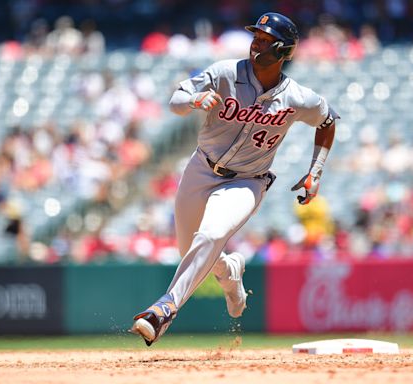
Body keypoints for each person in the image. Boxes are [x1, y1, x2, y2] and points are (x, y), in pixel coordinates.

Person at [130, 12, 339, 346]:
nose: (256, 43)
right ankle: (230, 273)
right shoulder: (226, 71)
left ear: (284, 51)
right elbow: (176, 101)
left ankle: (165, 309)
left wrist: (316, 171)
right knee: (193, 250)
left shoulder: (297, 97)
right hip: (201, 169)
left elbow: (327, 121)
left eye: (265, 40)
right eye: (256, 36)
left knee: (210, 234)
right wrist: (195, 100)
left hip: (247, 181)